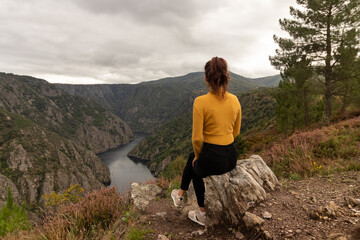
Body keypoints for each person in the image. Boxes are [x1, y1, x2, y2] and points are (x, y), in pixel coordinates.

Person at [171, 57, 241, 226]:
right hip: (231, 157)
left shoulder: (200, 102)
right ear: (226, 76)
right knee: (192, 158)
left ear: (206, 78)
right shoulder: (235, 100)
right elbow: (236, 132)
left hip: (213, 158)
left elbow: (196, 139)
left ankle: (201, 213)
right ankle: (179, 194)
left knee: (195, 167)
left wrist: (198, 155)